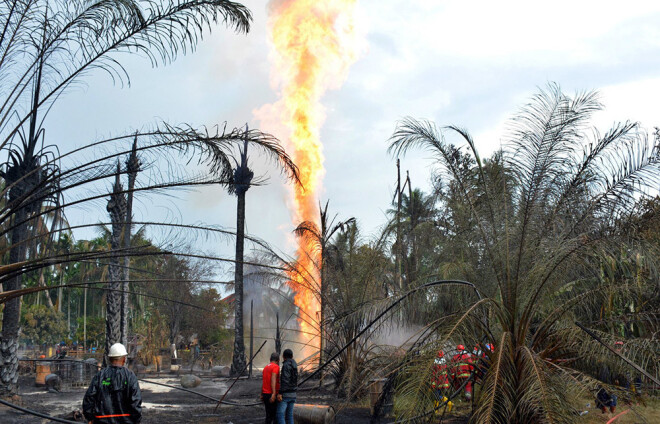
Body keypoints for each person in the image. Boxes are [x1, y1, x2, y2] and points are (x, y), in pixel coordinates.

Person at [83, 343, 142, 423]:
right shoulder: (130, 376)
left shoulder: (100, 375)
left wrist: (90, 417)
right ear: (124, 359)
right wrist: (136, 420)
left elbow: (89, 398)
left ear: (110, 359)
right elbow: (135, 402)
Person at [277, 349, 298, 424]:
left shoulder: (286, 365)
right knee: (289, 416)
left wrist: (280, 393)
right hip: (293, 394)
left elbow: (285, 380)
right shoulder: (294, 364)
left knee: (280, 414)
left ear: (283, 356)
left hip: (286, 394)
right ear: (292, 356)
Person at [261, 352, 280, 424]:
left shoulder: (265, 367)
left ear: (270, 359)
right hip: (271, 394)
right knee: (275, 416)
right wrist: (274, 394)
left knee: (268, 415)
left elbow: (264, 381)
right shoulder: (276, 367)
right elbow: (273, 379)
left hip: (265, 393)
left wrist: (261, 394)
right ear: (278, 360)